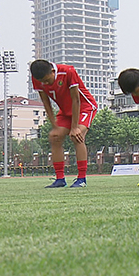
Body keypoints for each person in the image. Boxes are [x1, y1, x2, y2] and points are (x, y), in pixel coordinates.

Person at [31, 59, 98, 188]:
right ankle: (60, 179)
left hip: (84, 107)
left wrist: (74, 127)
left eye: (47, 80)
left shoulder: (68, 72)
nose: (45, 84)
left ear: (52, 71)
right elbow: (46, 103)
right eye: (42, 82)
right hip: (65, 111)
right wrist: (54, 126)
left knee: (76, 136)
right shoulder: (37, 78)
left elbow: (76, 99)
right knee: (54, 137)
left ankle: (81, 179)